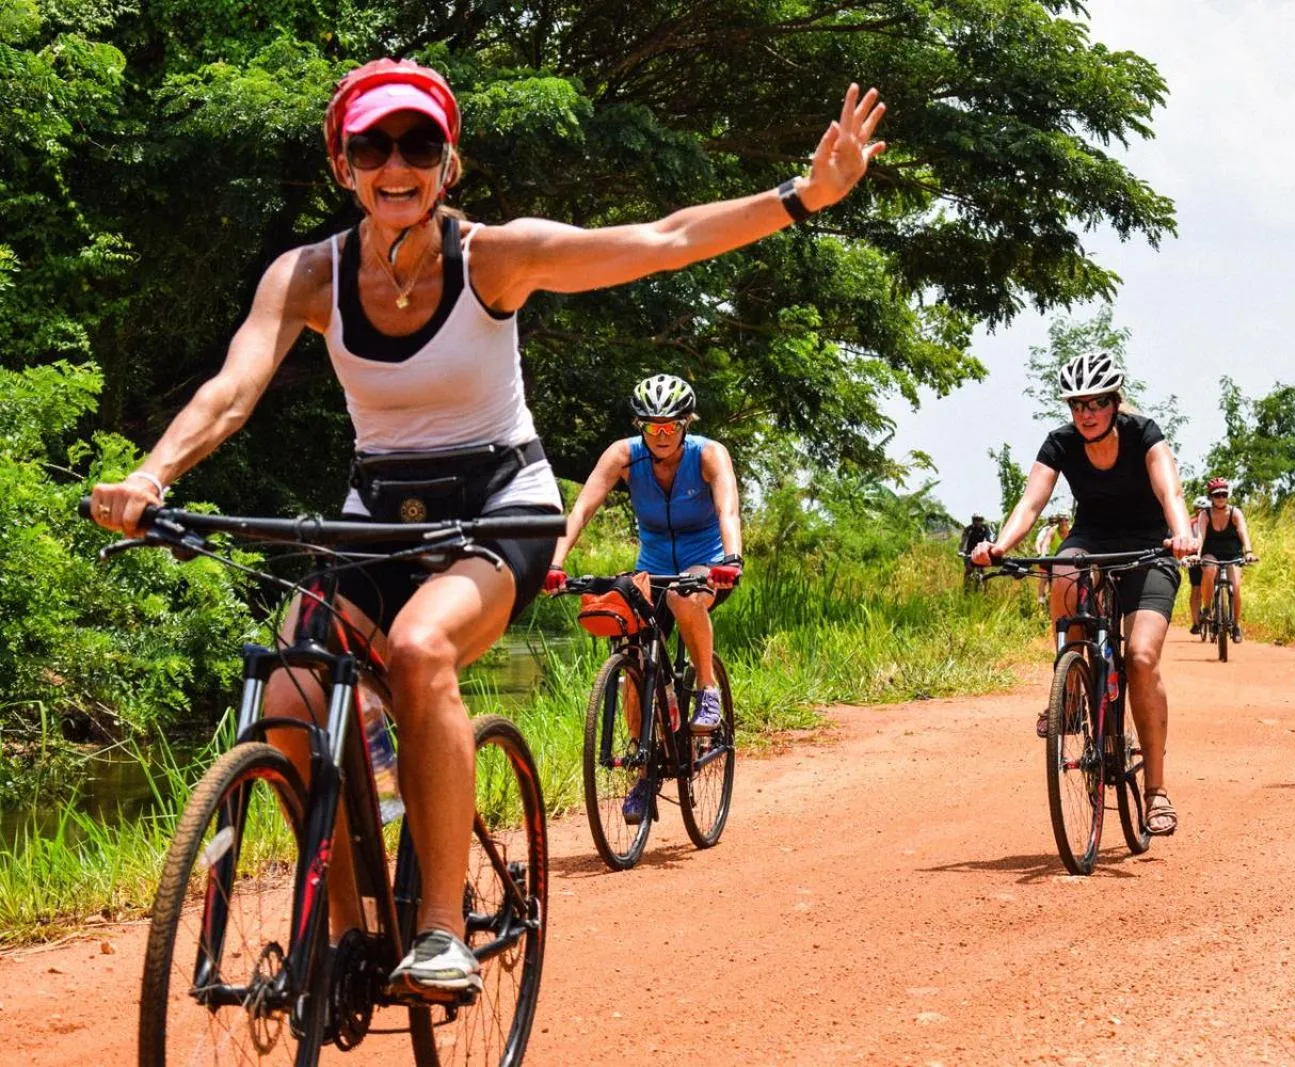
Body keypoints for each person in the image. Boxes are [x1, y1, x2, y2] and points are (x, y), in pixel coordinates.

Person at [87, 58, 886, 995]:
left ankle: (438, 932)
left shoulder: (493, 259)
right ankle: (343, 936)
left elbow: (661, 240)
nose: (396, 165)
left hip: (501, 506)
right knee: (292, 698)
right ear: (343, 166)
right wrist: (151, 474)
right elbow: (232, 387)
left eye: (417, 144)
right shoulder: (307, 275)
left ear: (448, 162)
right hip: (380, 513)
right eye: (372, 147)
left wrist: (803, 195)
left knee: (420, 649)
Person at [968, 352, 1199, 836]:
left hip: (1150, 548)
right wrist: (1000, 546)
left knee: (1140, 658)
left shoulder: (1144, 433)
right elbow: (1030, 503)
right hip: (1091, 540)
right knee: (1063, 570)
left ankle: (1156, 792)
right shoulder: (1061, 443)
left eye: (1095, 403)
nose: (1086, 413)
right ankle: (1071, 690)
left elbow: (1171, 494)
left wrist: (1181, 535)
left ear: (1114, 403)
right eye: (1077, 405)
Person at [547, 374, 743, 822]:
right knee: (631, 649)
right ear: (640, 426)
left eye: (670, 426)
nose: (661, 435)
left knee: (683, 598)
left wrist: (731, 558)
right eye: (652, 426)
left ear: (686, 423)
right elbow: (582, 509)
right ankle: (643, 769)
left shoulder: (708, 455)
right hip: (652, 568)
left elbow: (727, 509)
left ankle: (707, 690)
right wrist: (555, 564)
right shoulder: (623, 456)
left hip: (706, 565)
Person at [1194, 477, 1257, 641]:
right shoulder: (1205, 515)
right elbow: (1200, 535)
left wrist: (1248, 552)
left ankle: (1236, 625)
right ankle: (1207, 608)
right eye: (1217, 495)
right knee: (1209, 570)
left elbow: (1243, 532)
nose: (1221, 498)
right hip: (1211, 553)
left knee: (1236, 587)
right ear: (1211, 497)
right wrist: (1196, 555)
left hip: (1232, 554)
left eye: (1224, 494)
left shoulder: (1235, 513)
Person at [1032, 512, 1073, 605]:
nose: (1063, 522)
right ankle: (1041, 599)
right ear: (1058, 521)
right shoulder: (1052, 530)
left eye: (1066, 520)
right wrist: (1042, 555)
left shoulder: (1071, 530)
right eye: (1061, 520)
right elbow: (1045, 544)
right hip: (1053, 558)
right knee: (1045, 577)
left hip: (1066, 559)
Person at [1187, 495, 1208, 630]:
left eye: (1204, 509)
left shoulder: (1212, 520)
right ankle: (1196, 622)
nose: (1200, 512)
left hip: (1211, 555)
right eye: (1198, 509)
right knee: (1196, 587)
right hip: (1194, 556)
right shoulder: (1190, 523)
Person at [959, 513, 994, 587]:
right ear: (973, 520)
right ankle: (966, 587)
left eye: (980, 520)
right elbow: (963, 541)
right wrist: (961, 551)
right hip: (969, 551)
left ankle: (985, 589)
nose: (978, 521)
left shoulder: (985, 528)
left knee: (983, 571)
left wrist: (991, 549)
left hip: (979, 550)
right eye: (976, 519)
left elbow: (989, 539)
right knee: (969, 569)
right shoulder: (968, 529)